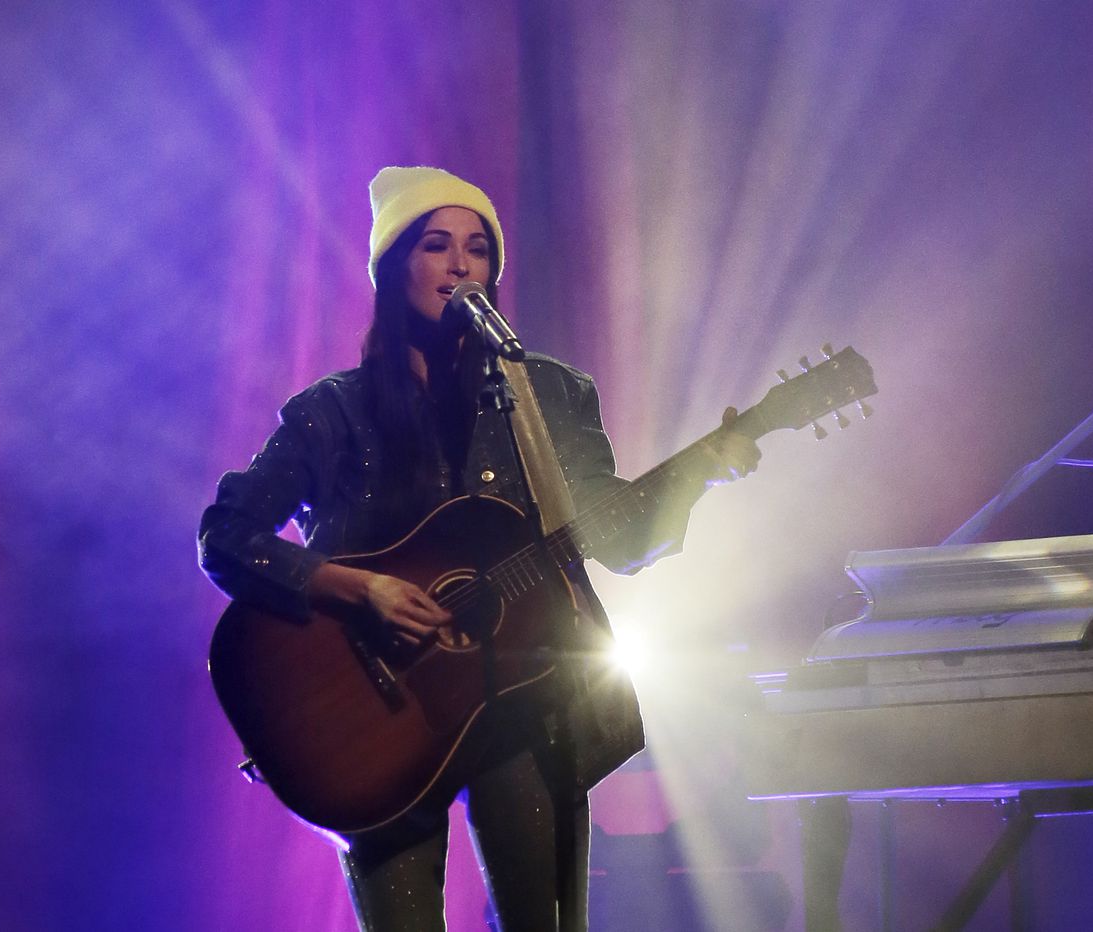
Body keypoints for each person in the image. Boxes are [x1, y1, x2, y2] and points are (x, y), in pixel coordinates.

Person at [198, 166, 760, 931]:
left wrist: (701, 473)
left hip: (519, 712)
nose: (461, 265)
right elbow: (227, 535)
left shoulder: (548, 395)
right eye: (436, 245)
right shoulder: (331, 413)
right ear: (393, 266)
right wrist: (358, 589)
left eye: (479, 248)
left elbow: (622, 537)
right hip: (373, 724)